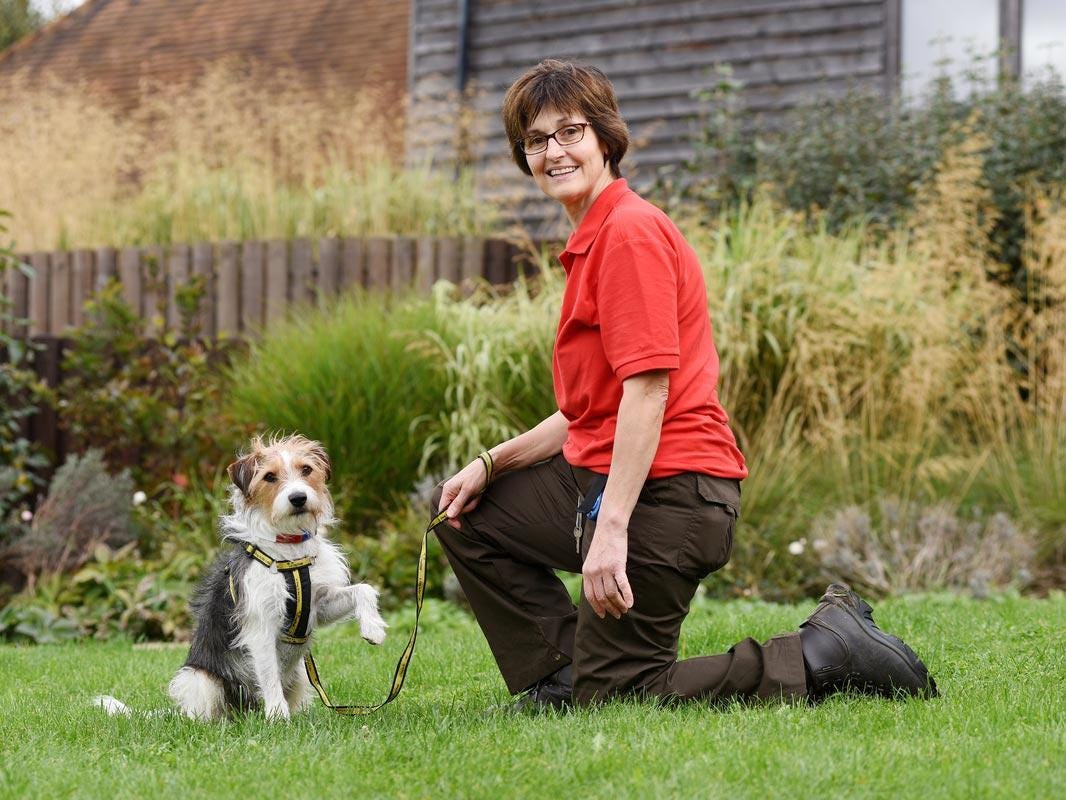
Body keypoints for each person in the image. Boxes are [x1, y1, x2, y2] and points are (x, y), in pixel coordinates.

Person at [433, 59, 936, 710]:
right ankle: (562, 679)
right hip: (607, 481)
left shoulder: (629, 234)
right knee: (466, 515)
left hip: (672, 495)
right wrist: (488, 464)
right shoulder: (594, 237)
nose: (553, 152)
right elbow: (588, 410)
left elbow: (648, 391)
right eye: (535, 140)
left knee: (622, 694)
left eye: (570, 132)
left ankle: (824, 651)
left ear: (605, 137)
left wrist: (611, 530)